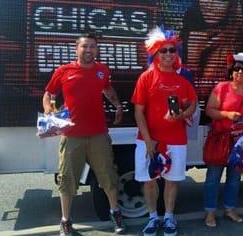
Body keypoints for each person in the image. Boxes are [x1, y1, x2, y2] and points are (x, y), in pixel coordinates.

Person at [42, 33, 126, 236]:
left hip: (98, 134)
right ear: (76, 49)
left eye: (93, 47)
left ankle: (115, 213)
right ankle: (66, 221)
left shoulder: (102, 70)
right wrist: (48, 112)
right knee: (67, 179)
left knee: (108, 176)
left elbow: (107, 88)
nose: (89, 50)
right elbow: (49, 94)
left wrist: (117, 105)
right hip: (71, 135)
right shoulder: (63, 71)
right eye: (85, 46)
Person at [131, 27, 197, 236]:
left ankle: (169, 217)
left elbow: (192, 104)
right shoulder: (146, 78)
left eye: (172, 50)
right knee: (149, 181)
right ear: (155, 54)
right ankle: (152, 218)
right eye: (164, 51)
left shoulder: (182, 81)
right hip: (148, 140)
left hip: (176, 140)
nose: (168, 54)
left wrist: (182, 114)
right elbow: (138, 112)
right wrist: (149, 140)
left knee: (172, 180)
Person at [203, 53, 243, 227]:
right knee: (213, 178)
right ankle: (210, 213)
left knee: (235, 178)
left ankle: (229, 209)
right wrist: (227, 114)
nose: (240, 72)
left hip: (241, 142)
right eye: (236, 69)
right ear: (231, 71)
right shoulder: (222, 88)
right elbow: (209, 110)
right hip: (221, 140)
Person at [180, 0, 242, 99]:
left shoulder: (233, 38)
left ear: (231, 4)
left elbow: (202, 92)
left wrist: (194, 56)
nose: (210, 4)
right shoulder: (188, 29)